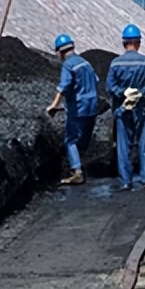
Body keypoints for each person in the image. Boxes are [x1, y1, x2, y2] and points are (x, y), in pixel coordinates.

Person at [106, 24, 145, 191]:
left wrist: (123, 93)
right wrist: (140, 94)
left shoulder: (115, 63)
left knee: (123, 145)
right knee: (144, 142)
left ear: (124, 43)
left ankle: (126, 181)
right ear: (138, 43)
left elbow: (110, 87)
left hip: (122, 108)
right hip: (141, 108)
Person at [46, 33, 100, 185]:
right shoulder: (85, 63)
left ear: (60, 52)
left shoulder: (68, 65)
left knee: (70, 140)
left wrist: (54, 105)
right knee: (84, 138)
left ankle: (77, 171)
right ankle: (82, 161)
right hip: (92, 105)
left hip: (78, 107)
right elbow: (96, 80)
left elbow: (64, 86)